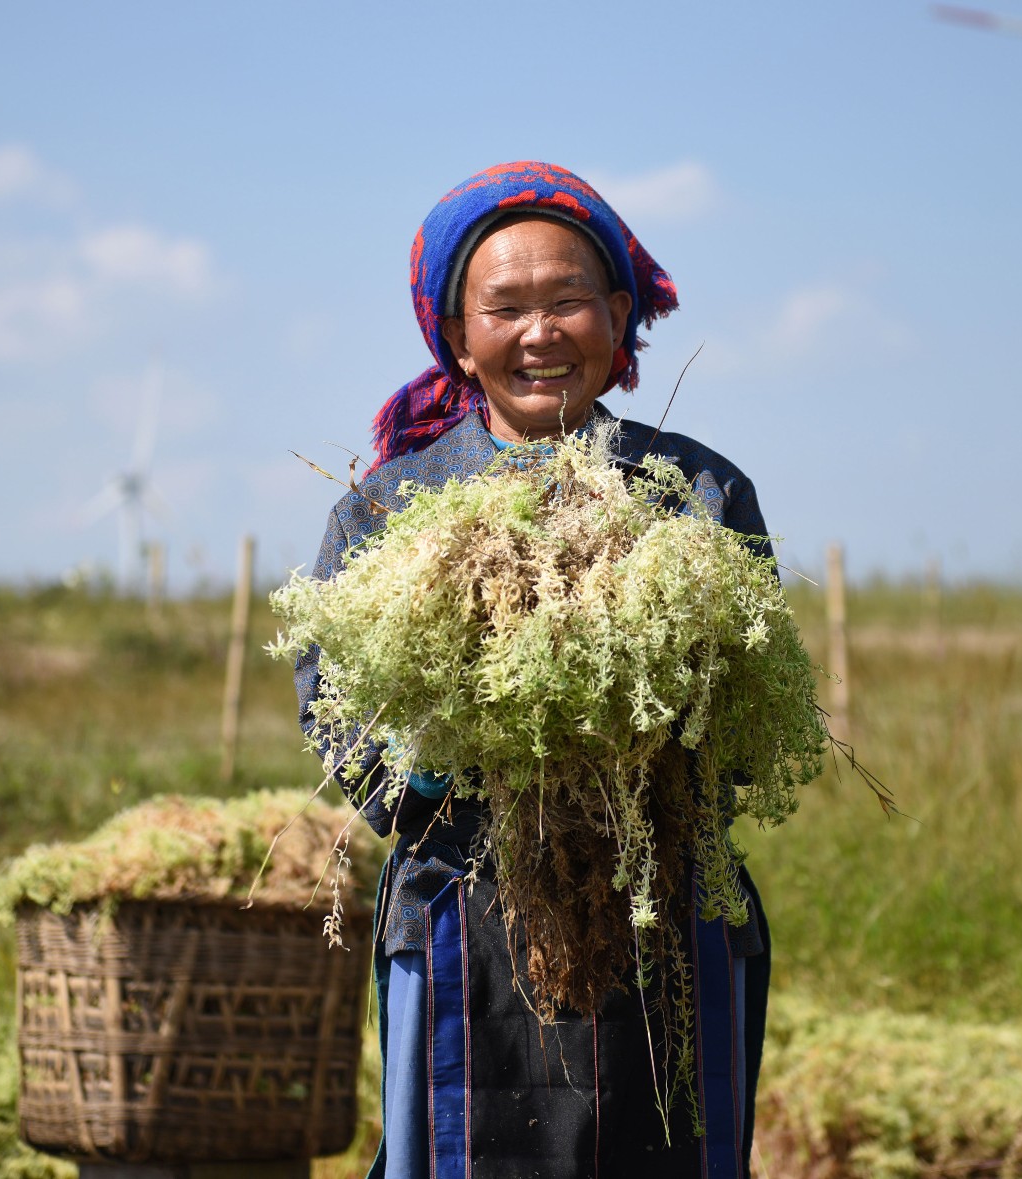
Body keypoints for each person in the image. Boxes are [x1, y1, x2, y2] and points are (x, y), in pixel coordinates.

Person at [293, 161, 772, 1179]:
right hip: (464, 913)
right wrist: (419, 761)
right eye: (504, 308)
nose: (540, 332)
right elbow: (334, 714)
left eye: (567, 302)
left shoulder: (695, 492)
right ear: (458, 340)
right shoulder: (389, 510)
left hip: (665, 914)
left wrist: (656, 736)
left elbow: (744, 717)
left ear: (616, 317)